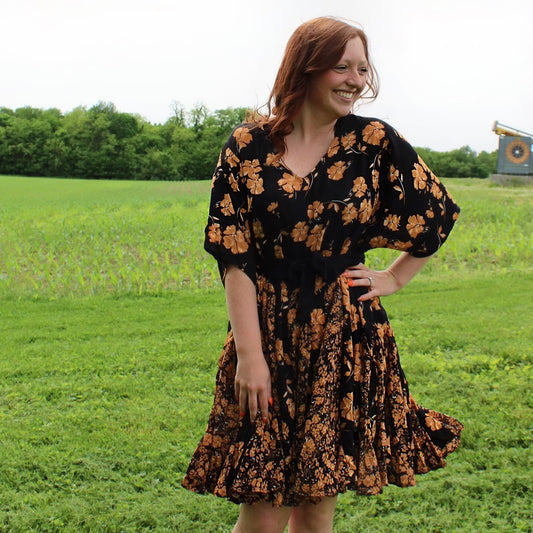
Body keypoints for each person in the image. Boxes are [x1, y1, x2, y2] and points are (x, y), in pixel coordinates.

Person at [182, 16, 463, 533]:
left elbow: (436, 212)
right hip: (265, 333)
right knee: (261, 514)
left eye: (362, 68)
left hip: (343, 337)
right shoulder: (247, 146)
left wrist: (394, 278)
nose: (356, 80)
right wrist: (250, 356)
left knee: (315, 514)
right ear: (305, 68)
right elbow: (234, 255)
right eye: (342, 66)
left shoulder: (374, 143)